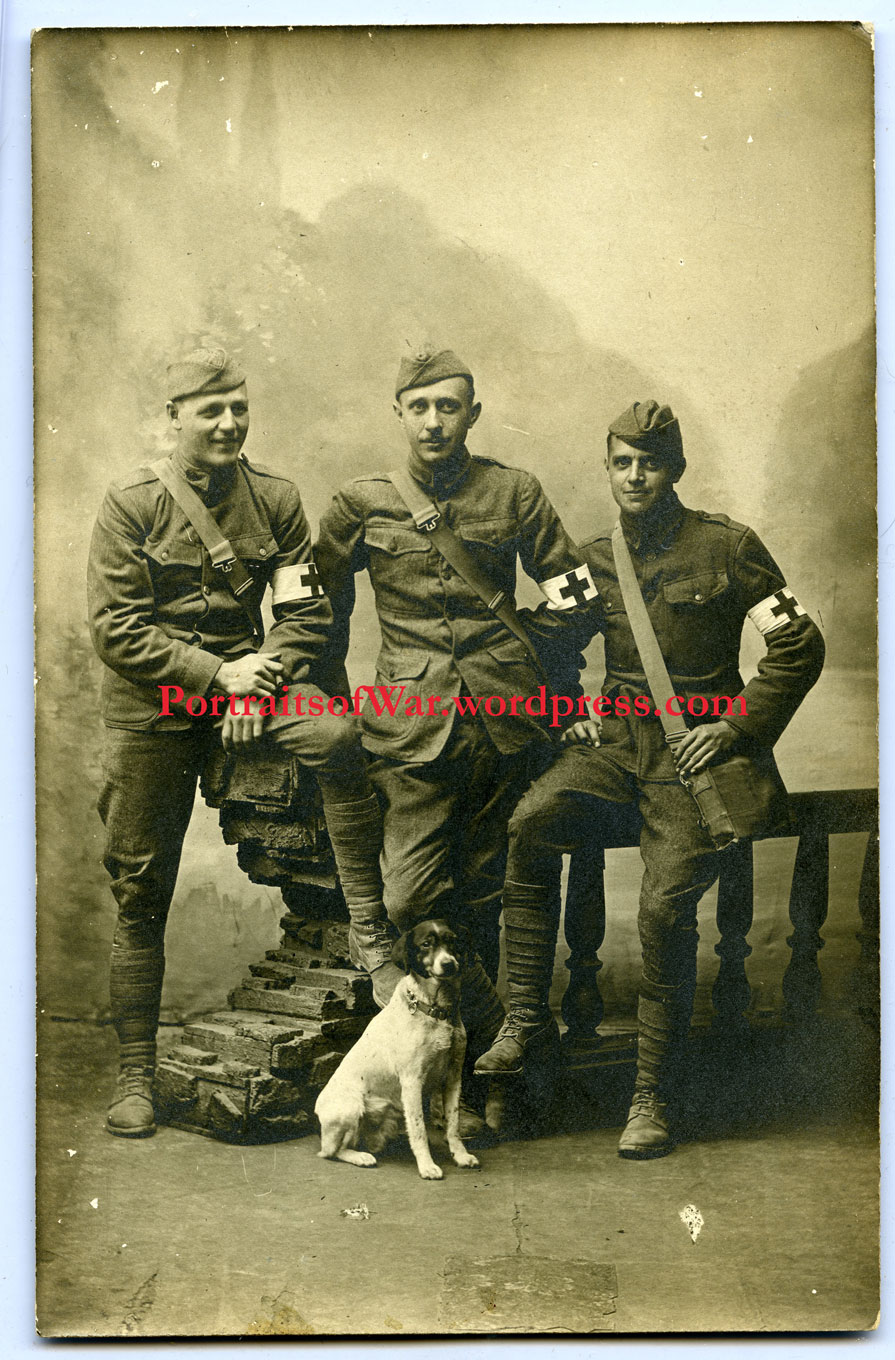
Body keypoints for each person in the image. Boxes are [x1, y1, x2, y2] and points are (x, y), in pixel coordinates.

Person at [474, 399, 825, 1157]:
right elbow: (543, 641)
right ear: (607, 469)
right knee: (529, 823)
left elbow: (798, 644)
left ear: (676, 469)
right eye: (622, 463)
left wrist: (733, 728)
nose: (635, 476)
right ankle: (526, 1021)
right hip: (614, 748)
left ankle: (650, 1095)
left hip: (692, 757)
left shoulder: (729, 547)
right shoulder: (593, 562)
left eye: (650, 463)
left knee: (664, 912)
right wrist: (564, 711)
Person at [88, 346, 397, 1138]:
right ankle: (135, 1074)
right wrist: (217, 676)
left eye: (238, 408)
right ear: (175, 417)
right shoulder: (130, 504)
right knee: (140, 889)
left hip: (248, 685)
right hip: (156, 707)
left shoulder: (276, 500)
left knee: (334, 731)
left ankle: (369, 926)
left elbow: (304, 613)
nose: (229, 423)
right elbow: (117, 629)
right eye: (210, 410)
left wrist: (261, 678)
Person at [313, 345, 597, 1133]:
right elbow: (315, 609)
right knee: (410, 899)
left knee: (488, 898)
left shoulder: (514, 492)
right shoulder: (362, 503)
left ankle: (476, 1084)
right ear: (397, 413)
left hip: (505, 728)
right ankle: (504, 1047)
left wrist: (524, 660)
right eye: (419, 407)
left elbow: (577, 597)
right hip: (410, 729)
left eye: (448, 406)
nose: (433, 422)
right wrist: (326, 695)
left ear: (472, 413)